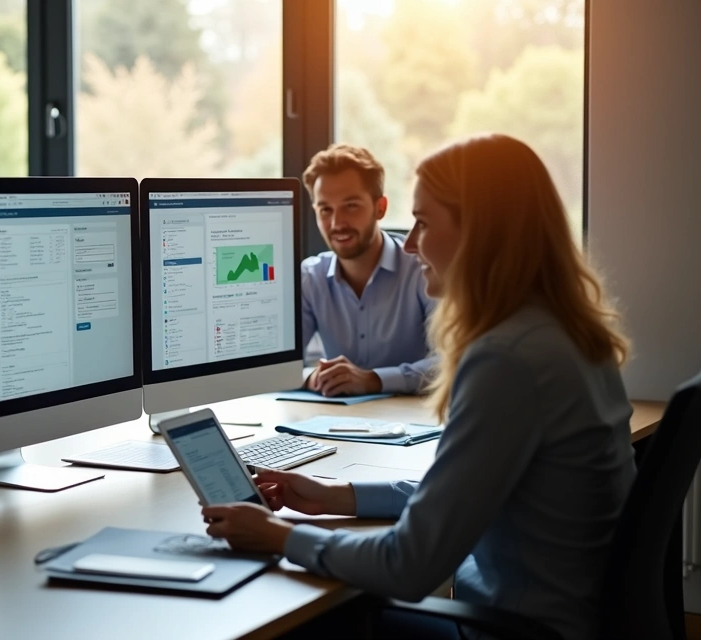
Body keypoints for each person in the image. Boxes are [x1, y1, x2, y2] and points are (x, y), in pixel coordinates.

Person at [203, 134, 633, 639]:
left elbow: (407, 565)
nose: (409, 244)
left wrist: (279, 537)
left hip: (517, 629)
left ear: (479, 232)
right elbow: (459, 495)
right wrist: (337, 496)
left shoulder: (507, 361)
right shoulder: (559, 331)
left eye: (423, 223)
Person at [300, 144, 435, 396]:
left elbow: (449, 361)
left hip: (411, 415)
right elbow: (279, 364)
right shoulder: (310, 277)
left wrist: (374, 380)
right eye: (325, 209)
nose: (337, 223)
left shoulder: (423, 270)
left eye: (351, 206)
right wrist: (313, 378)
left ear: (380, 208)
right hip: (333, 415)